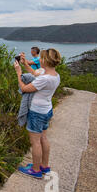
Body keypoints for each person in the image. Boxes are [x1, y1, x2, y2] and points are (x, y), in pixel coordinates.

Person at [14, 48, 62, 179]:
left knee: (35, 142)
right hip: (47, 110)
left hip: (37, 112)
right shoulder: (54, 75)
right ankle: (44, 166)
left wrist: (18, 73)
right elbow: (35, 73)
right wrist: (24, 64)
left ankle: (35, 170)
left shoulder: (44, 79)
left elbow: (24, 88)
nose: (39, 60)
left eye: (41, 58)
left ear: (45, 61)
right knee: (43, 138)